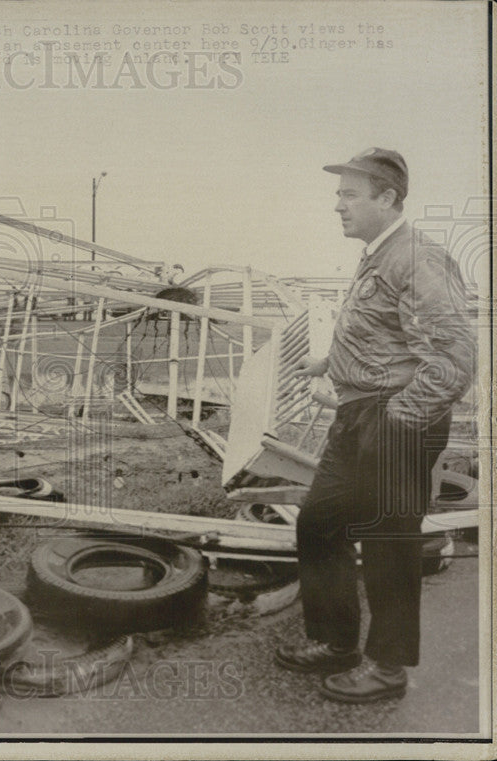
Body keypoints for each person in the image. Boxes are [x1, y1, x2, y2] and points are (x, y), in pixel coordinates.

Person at [274, 148, 476, 703]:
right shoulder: (377, 253)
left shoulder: (417, 258)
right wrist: (331, 364)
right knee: (319, 523)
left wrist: (397, 420)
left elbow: (455, 358)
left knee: (389, 543)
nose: (337, 205)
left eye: (349, 194)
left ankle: (387, 668)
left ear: (387, 198)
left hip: (397, 416)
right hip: (361, 412)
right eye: (339, 194)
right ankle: (335, 642)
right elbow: (384, 334)